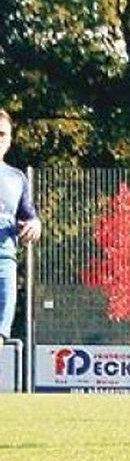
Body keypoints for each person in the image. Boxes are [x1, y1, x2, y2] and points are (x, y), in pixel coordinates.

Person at [0, 110, 42, 359]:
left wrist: (35, 224)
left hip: (5, 262)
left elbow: (30, 216)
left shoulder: (17, 178)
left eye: (2, 134)